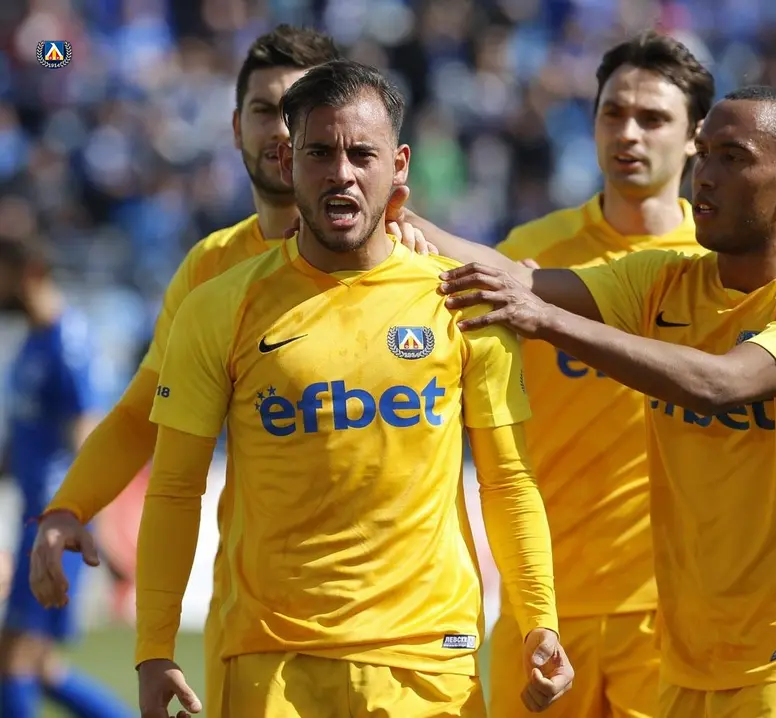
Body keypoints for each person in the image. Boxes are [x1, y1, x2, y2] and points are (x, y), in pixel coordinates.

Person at [418, 86, 776, 717]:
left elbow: (721, 385)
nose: (707, 175)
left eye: (733, 158)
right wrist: (394, 210)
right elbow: (517, 279)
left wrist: (546, 320)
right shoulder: (665, 280)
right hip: (687, 660)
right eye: (705, 155)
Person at [135, 58, 573, 718]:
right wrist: (153, 647)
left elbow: (508, 479)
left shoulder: (462, 301)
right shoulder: (219, 307)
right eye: (319, 152)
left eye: (361, 154)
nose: (341, 172)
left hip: (429, 659)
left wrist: (540, 618)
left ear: (398, 166)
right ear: (289, 163)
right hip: (273, 660)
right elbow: (174, 487)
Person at [25, 25, 391, 718]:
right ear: (234, 127)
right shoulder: (209, 270)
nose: (280, 130)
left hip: (404, 637)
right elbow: (140, 416)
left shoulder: (401, 254)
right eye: (263, 110)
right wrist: (68, 507)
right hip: (256, 632)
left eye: (296, 111)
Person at [487, 31, 713, 718]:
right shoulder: (531, 252)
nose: (629, 132)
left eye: (653, 118)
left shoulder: (717, 267)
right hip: (543, 607)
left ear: (696, 137)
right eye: (613, 112)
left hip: (672, 610)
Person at [0, 239, 132, 717]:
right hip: (33, 520)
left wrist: (100, 532)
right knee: (39, 666)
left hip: (56, 523)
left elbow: (87, 438)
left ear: (30, 272)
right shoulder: (31, 343)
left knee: (13, 659)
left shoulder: (67, 341)